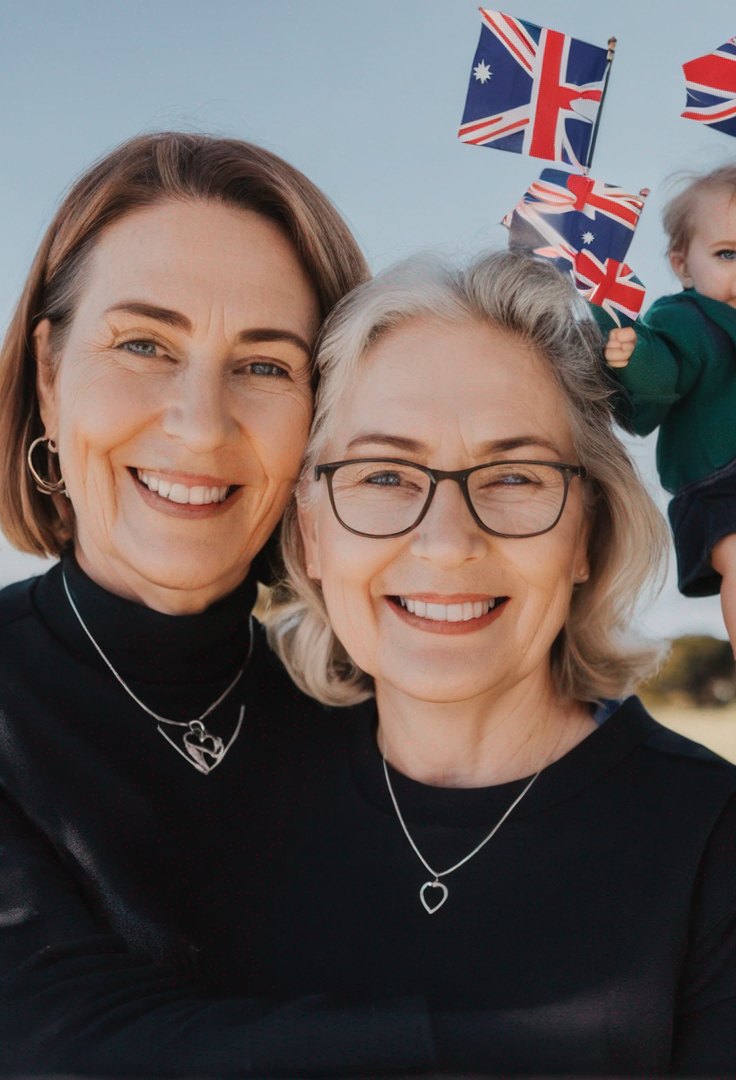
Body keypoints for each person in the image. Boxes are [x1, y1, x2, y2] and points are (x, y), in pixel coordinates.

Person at [249, 251, 736, 1073]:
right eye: (385, 475)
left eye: (513, 476)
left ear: (589, 532)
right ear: (309, 533)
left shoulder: (727, 850)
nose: (446, 546)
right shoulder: (228, 810)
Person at [0, 132, 440, 1075]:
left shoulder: (386, 706)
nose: (201, 425)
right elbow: (54, 1042)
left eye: (267, 364)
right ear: (47, 373)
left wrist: (732, 859)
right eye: (144, 344)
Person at [598, 165, 736, 734]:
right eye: (728, 254)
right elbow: (661, 376)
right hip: (718, 488)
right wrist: (631, 353)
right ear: (683, 264)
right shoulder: (685, 319)